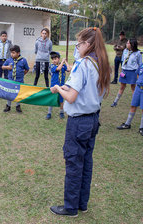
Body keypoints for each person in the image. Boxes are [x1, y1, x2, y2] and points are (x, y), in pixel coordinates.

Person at [50, 27, 110, 217]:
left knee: (74, 163)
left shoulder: (83, 63)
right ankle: (82, 203)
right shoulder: (100, 63)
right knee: (85, 162)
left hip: (79, 122)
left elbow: (71, 97)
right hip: (93, 119)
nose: (77, 47)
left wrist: (59, 89)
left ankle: (70, 208)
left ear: (88, 44)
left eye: (79, 43)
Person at [111, 38, 142, 107]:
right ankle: (115, 101)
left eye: (128, 43)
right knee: (122, 87)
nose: (126, 44)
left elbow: (140, 64)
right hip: (124, 71)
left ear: (132, 44)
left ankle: (136, 102)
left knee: (133, 87)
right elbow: (123, 61)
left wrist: (139, 74)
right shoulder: (125, 51)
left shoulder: (138, 53)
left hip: (133, 72)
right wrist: (122, 70)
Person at [117, 64, 143, 136]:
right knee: (133, 106)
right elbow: (138, 74)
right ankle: (127, 124)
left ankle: (141, 128)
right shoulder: (141, 65)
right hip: (138, 88)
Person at [2, 45, 29, 113]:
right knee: (9, 93)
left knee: (18, 93)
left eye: (13, 53)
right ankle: (8, 106)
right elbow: (3, 67)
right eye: (11, 52)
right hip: (11, 80)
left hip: (19, 81)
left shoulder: (23, 60)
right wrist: (8, 67)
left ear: (18, 53)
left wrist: (22, 75)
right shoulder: (9, 60)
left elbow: (27, 69)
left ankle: (18, 106)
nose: (12, 54)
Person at [46, 51, 71, 120]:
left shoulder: (63, 65)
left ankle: (61, 112)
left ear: (58, 59)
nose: (54, 60)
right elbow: (58, 69)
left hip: (61, 86)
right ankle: (49, 113)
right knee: (52, 99)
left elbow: (69, 69)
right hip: (54, 86)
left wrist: (65, 62)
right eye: (53, 59)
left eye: (55, 59)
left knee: (61, 100)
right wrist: (62, 62)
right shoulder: (52, 66)